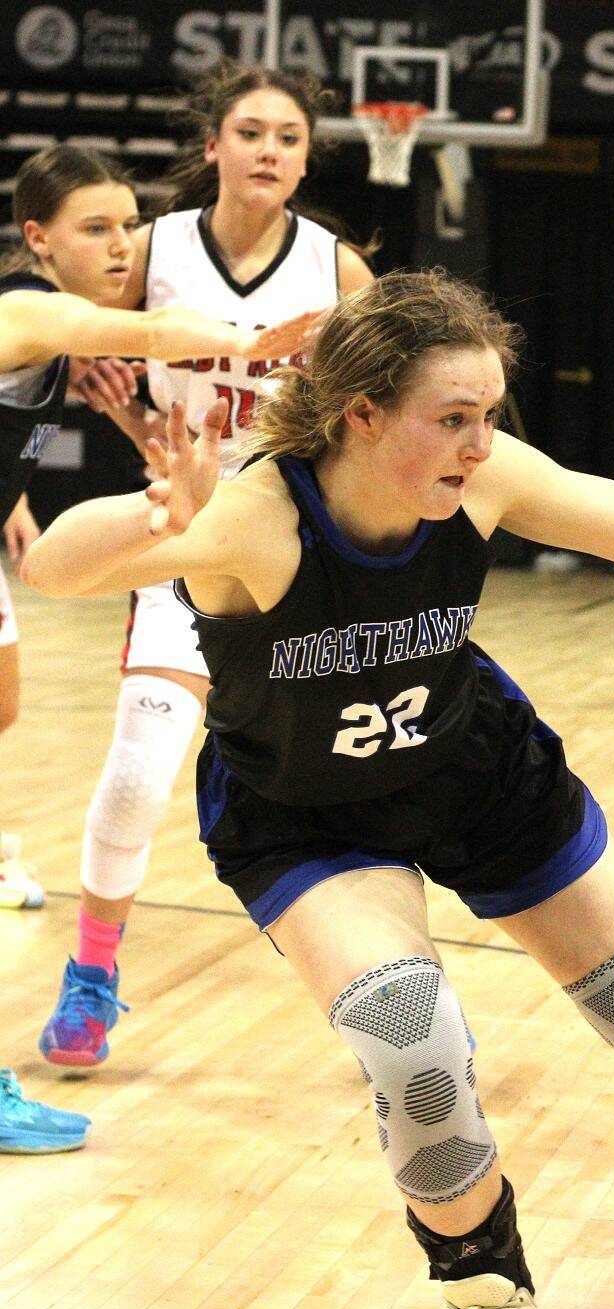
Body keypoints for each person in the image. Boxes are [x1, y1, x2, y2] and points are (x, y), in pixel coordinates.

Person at [20, 270, 614, 1309]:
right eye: (453, 419)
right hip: (305, 814)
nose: (480, 444)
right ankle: (486, 1290)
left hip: (472, 773)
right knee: (413, 1048)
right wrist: (152, 511)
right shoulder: (257, 517)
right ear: (362, 413)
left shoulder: (481, 483)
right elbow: (52, 569)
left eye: (490, 416)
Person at [41, 59, 374, 1068]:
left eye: (289, 139)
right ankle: (92, 975)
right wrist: (101, 382)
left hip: (296, 545)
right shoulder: (151, 251)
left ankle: (390, 993)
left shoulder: (338, 271)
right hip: (181, 534)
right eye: (253, 132)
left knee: (352, 787)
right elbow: (53, 318)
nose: (271, 150)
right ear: (213, 146)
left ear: (303, 160)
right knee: (143, 775)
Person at [0, 143, 315, 1143]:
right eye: (95, 228)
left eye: (126, 226)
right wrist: (255, 343)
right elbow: (152, 327)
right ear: (37, 238)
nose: (119, 244)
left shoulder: (59, 354)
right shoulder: (29, 310)